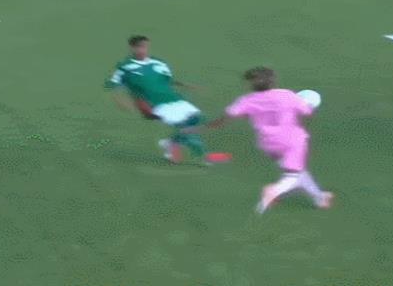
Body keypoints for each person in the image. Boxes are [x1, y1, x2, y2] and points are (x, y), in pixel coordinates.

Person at [184, 67, 334, 213]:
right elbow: (307, 112)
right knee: (292, 175)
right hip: (292, 141)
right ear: (273, 81)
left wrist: (197, 129)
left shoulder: (246, 101)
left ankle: (320, 198)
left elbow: (222, 122)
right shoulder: (286, 95)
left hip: (268, 143)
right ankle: (275, 190)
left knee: (297, 171)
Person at [105, 36, 208, 164]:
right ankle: (203, 157)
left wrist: (186, 85)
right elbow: (113, 86)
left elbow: (168, 80)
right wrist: (120, 102)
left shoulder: (159, 63)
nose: (143, 50)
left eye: (145, 46)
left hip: (174, 98)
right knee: (186, 127)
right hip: (155, 104)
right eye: (139, 47)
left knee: (198, 119)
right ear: (132, 48)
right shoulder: (124, 67)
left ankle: (170, 143)